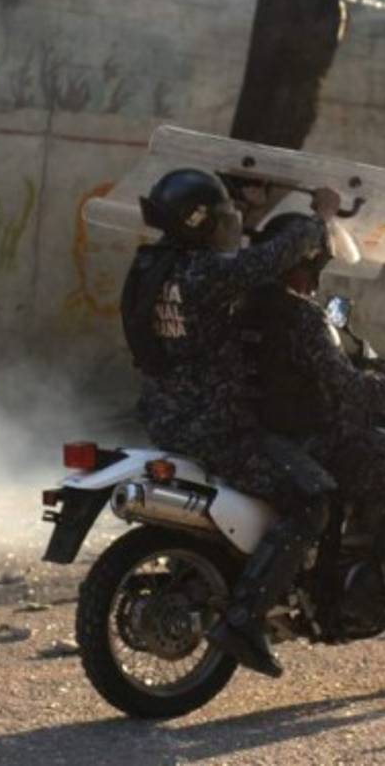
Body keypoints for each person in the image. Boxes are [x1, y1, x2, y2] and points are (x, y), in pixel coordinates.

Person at [120, 169, 339, 678]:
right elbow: (263, 262)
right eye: (221, 217)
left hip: (165, 417)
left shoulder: (156, 265)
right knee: (313, 497)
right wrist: (320, 217)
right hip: (217, 427)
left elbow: (231, 259)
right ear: (201, 223)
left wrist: (253, 206)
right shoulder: (207, 275)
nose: (230, 225)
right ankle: (243, 620)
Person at [244, 212, 385, 634]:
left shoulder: (244, 304)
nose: (316, 282)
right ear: (298, 267)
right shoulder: (303, 318)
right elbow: (353, 389)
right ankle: (370, 589)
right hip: (310, 441)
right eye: (314, 269)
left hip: (258, 435)